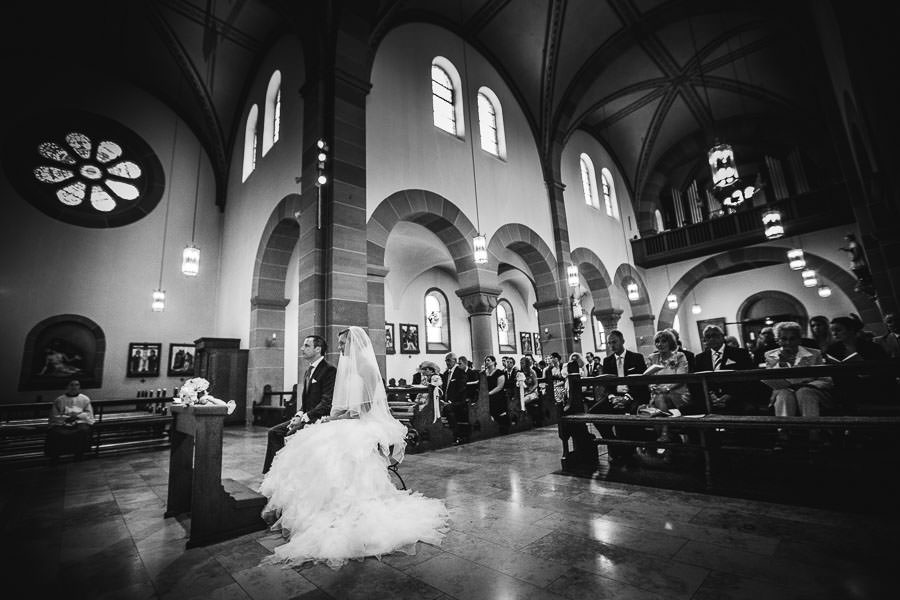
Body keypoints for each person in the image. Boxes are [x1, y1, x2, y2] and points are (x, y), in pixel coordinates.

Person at [259, 327, 448, 569]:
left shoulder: (367, 369)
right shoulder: (348, 370)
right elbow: (341, 405)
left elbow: (363, 410)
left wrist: (336, 419)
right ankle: (311, 507)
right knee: (311, 442)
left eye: (342, 344)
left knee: (330, 447)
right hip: (347, 419)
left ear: (355, 344)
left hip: (363, 424)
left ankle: (336, 508)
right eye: (338, 344)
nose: (339, 349)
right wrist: (331, 417)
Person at [263, 335, 337, 474]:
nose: (302, 349)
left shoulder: (329, 370)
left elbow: (326, 402)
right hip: (306, 416)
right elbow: (306, 401)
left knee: (290, 434)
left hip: (319, 418)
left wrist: (305, 418)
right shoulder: (309, 370)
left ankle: (290, 473)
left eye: (306, 346)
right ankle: (272, 473)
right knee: (274, 432)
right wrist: (298, 414)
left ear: (318, 349)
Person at [594, 330, 648, 461]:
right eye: (609, 343)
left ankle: (632, 449)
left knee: (632, 414)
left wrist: (627, 398)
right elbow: (607, 384)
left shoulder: (636, 357)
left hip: (634, 395)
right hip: (615, 396)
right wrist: (613, 398)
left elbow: (641, 383)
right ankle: (613, 443)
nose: (612, 345)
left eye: (614, 342)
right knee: (594, 412)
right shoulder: (607, 361)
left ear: (622, 341)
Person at [763, 321, 833, 419]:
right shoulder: (770, 355)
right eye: (784, 339)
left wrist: (806, 385)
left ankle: (813, 431)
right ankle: (784, 430)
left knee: (804, 392)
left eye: (792, 339)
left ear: (799, 339)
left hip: (812, 392)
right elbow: (770, 380)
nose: (788, 343)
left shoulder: (815, 353)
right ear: (777, 340)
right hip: (784, 392)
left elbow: (826, 380)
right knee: (784, 394)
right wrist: (780, 363)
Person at [824, 315, 889, 408]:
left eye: (838, 330)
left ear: (851, 330)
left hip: (872, 384)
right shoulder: (832, 349)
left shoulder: (872, 347)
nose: (834, 334)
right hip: (845, 386)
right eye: (832, 331)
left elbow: (884, 369)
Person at [695, 325, 755, 413]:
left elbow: (749, 377)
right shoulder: (700, 358)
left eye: (715, 335)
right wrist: (711, 395)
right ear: (704, 340)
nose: (712, 339)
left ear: (722, 337)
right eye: (708, 337)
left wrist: (730, 395)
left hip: (737, 398)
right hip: (711, 401)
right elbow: (698, 381)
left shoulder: (740, 353)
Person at [45, 379, 94, 462]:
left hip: (79, 421)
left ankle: (78, 454)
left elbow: (88, 413)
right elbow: (55, 415)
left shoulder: (85, 399)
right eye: (71, 385)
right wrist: (66, 417)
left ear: (79, 387)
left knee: (83, 430)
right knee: (55, 432)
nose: (74, 387)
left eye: (77, 385)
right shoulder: (59, 400)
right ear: (67, 387)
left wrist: (77, 416)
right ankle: (56, 456)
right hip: (63, 422)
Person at [441, 352, 470, 444]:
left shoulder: (460, 372)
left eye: (449, 360)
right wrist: (442, 400)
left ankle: (457, 436)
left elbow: (461, 389)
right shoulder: (445, 374)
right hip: (447, 402)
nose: (447, 362)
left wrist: (450, 401)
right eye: (446, 360)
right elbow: (443, 389)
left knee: (448, 408)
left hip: (459, 402)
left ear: (455, 361)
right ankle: (441, 435)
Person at [483, 355, 509, 434]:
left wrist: (489, 393)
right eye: (485, 361)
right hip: (486, 394)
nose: (486, 362)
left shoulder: (499, 373)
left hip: (497, 393)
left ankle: (499, 424)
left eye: (488, 360)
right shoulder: (484, 373)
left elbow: (499, 387)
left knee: (493, 400)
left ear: (493, 362)